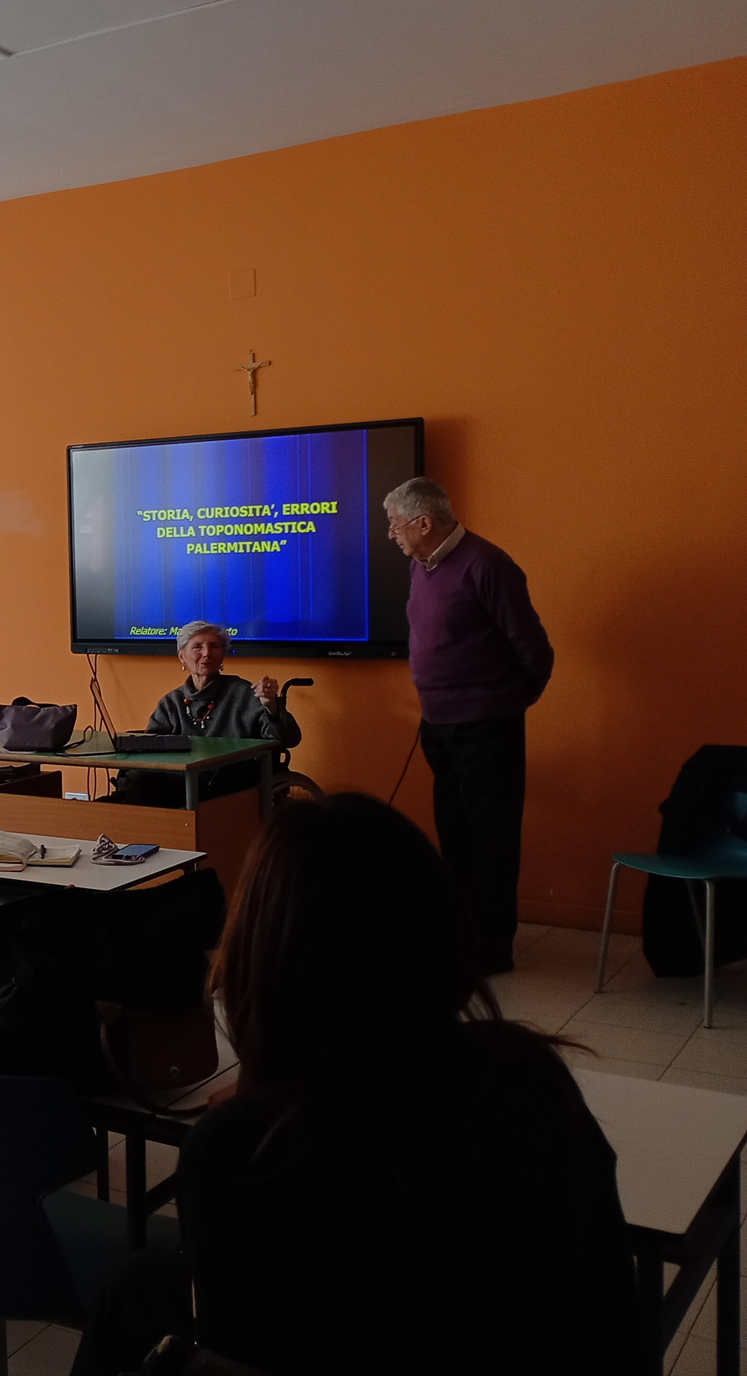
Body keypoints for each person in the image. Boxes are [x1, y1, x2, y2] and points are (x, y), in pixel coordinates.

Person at [149, 794, 645, 1376]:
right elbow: (610, 1320)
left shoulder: (233, 1154)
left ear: (257, 961)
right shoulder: (531, 1081)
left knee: (133, 1297)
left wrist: (261, 1109)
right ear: (439, 930)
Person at [385, 476, 552, 975]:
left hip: (487, 726)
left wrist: (507, 703)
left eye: (395, 524)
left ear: (424, 523)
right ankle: (460, 936)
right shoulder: (421, 567)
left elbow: (534, 650)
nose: (391, 534)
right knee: (455, 836)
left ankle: (492, 950)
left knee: (491, 839)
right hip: (438, 725)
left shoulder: (487, 565)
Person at [116, 621, 299, 805]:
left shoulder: (244, 694)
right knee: (138, 783)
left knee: (144, 786)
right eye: (197, 647)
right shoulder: (172, 702)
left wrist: (271, 706)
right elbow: (151, 749)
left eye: (214, 646)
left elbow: (289, 739)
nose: (206, 653)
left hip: (227, 783)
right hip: (180, 778)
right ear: (182, 657)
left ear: (223, 655)